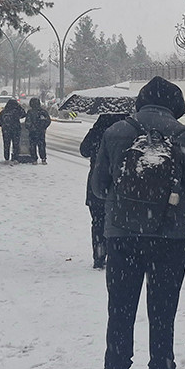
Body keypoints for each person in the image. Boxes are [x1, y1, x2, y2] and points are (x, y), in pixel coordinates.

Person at [93, 77, 185, 369]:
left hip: (122, 236)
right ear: (174, 106)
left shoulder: (115, 133)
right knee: (162, 311)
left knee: (120, 308)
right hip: (168, 238)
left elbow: (99, 188)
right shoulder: (184, 136)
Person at [79, 112, 128, 269]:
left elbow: (84, 150)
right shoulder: (127, 131)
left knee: (98, 222)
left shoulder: (98, 130)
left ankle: (99, 255)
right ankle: (117, 256)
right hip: (121, 183)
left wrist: (95, 131)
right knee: (120, 223)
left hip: (97, 181)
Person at [0, 98, 25, 164]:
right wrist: (19, 107)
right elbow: (24, 114)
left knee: (6, 144)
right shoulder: (17, 111)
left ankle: (6, 157)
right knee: (16, 144)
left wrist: (4, 126)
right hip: (16, 129)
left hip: (6, 130)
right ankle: (15, 157)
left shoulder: (4, 111)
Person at [24, 97, 52, 164]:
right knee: (41, 145)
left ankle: (34, 159)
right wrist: (43, 127)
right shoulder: (43, 112)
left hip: (33, 132)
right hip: (41, 132)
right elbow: (48, 120)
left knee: (32, 146)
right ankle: (43, 158)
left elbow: (27, 122)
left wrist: (31, 128)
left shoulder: (30, 112)